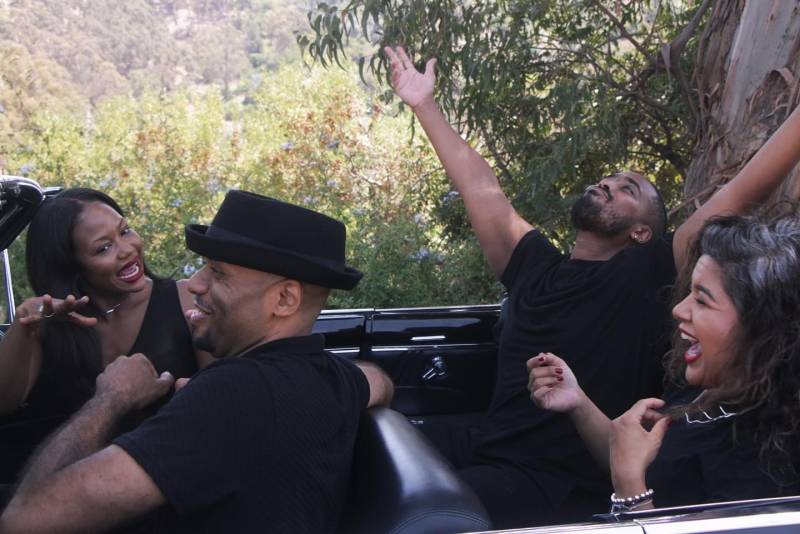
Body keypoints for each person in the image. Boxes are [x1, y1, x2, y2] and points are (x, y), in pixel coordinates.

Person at [384, 45, 800, 527]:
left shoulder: (652, 272)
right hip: (490, 442)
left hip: (555, 480)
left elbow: (741, 191)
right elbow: (482, 189)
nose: (608, 183)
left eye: (629, 189)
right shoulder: (534, 265)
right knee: (362, 438)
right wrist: (423, 104)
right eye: (609, 179)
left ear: (643, 233)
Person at [0, 190, 394, 533]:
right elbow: (381, 381)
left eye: (218, 274)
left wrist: (113, 398)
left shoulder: (225, 400)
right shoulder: (334, 378)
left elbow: (24, 520)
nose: (195, 284)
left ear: (285, 300)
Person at [528, 208, 800, 510]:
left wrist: (631, 489)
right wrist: (577, 400)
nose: (679, 310)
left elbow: (633, 474)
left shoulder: (766, 463)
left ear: (762, 326)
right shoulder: (706, 386)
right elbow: (633, 459)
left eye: (701, 299)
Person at [0, 188, 213, 482]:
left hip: (166, 486)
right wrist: (24, 326)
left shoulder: (186, 300)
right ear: (70, 266)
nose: (127, 249)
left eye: (125, 230)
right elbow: (5, 403)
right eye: (104, 248)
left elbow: (220, 404)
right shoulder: (46, 323)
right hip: (58, 493)